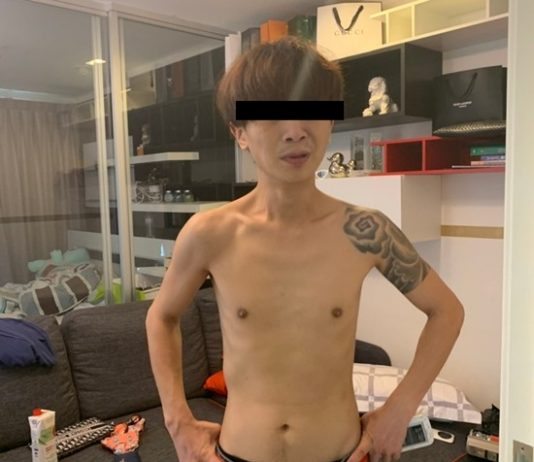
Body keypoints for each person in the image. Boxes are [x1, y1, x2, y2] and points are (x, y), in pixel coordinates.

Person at [145, 36, 464, 462]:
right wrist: (177, 422)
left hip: (338, 452)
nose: (295, 131)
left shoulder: (366, 231)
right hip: (238, 454)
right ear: (240, 133)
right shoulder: (210, 233)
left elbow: (447, 312)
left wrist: (400, 408)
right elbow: (161, 317)